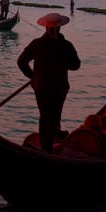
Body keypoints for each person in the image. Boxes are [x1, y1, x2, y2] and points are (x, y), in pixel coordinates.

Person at [17, 12, 81, 153]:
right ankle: (47, 149)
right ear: (59, 28)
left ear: (46, 28)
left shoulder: (37, 44)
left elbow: (21, 62)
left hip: (41, 87)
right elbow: (76, 65)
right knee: (52, 117)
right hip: (58, 87)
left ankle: (48, 144)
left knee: (45, 116)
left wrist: (33, 77)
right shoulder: (66, 45)